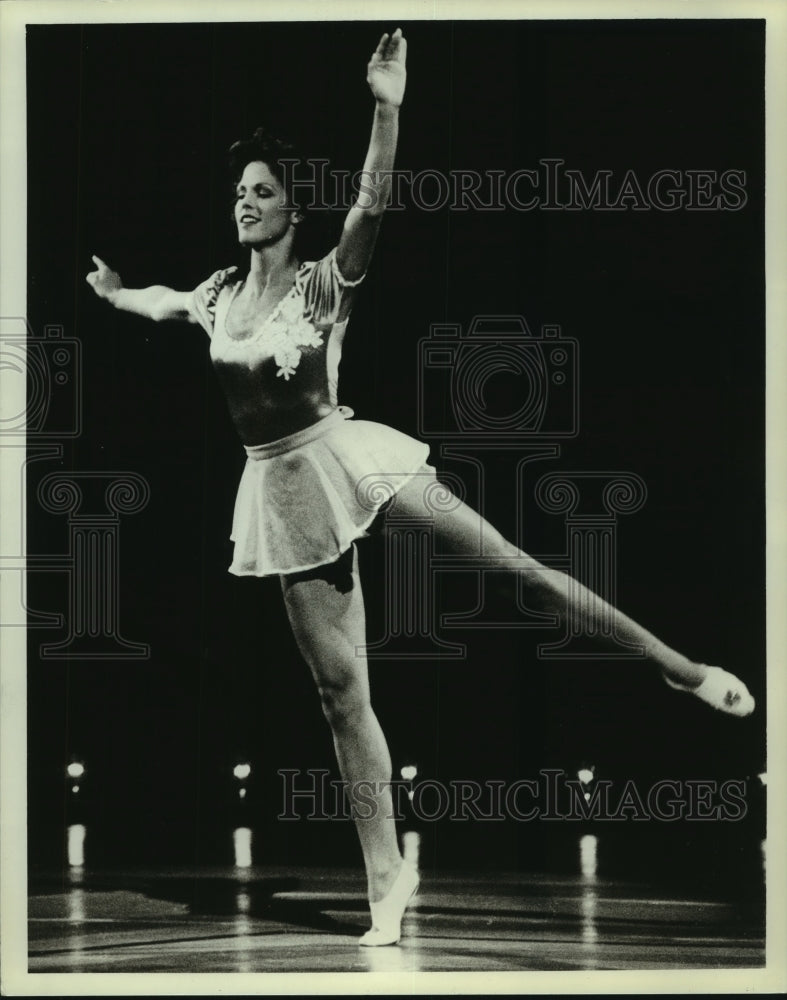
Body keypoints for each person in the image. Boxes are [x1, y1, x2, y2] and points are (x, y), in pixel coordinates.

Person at [86, 28, 755, 947]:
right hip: (280, 495)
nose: (245, 203)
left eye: (263, 191)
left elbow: (373, 199)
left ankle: (682, 670)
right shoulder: (213, 295)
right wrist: (118, 294)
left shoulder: (323, 286)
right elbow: (159, 301)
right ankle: (386, 882)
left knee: (518, 571)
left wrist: (386, 106)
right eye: (238, 192)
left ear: (291, 209)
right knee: (339, 696)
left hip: (349, 454)